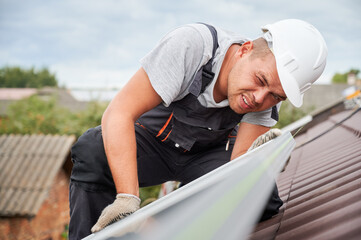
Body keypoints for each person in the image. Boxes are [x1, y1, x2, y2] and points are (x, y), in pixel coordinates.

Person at [68, 19, 327, 239]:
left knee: (262, 198)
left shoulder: (268, 94)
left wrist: (257, 159)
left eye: (275, 96)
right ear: (245, 49)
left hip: (204, 156)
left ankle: (154, 227)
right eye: (260, 80)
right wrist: (127, 198)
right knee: (92, 151)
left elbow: (238, 170)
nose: (260, 98)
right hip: (151, 144)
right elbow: (119, 112)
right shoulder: (192, 46)